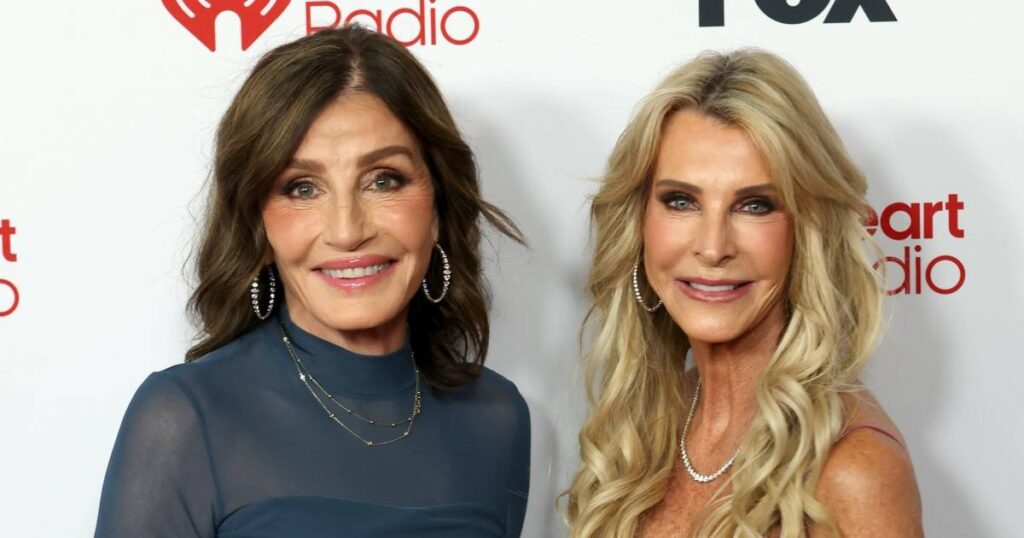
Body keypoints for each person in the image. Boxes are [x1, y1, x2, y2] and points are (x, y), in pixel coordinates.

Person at [95, 26, 530, 538]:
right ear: (258, 224)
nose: (347, 231)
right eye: (302, 188)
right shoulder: (187, 417)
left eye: (383, 180)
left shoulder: (497, 418)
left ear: (437, 207)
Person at [564, 50, 922, 537]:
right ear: (639, 222)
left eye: (755, 205)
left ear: (807, 230)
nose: (713, 247)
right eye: (681, 201)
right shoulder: (653, 424)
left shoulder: (854, 470)